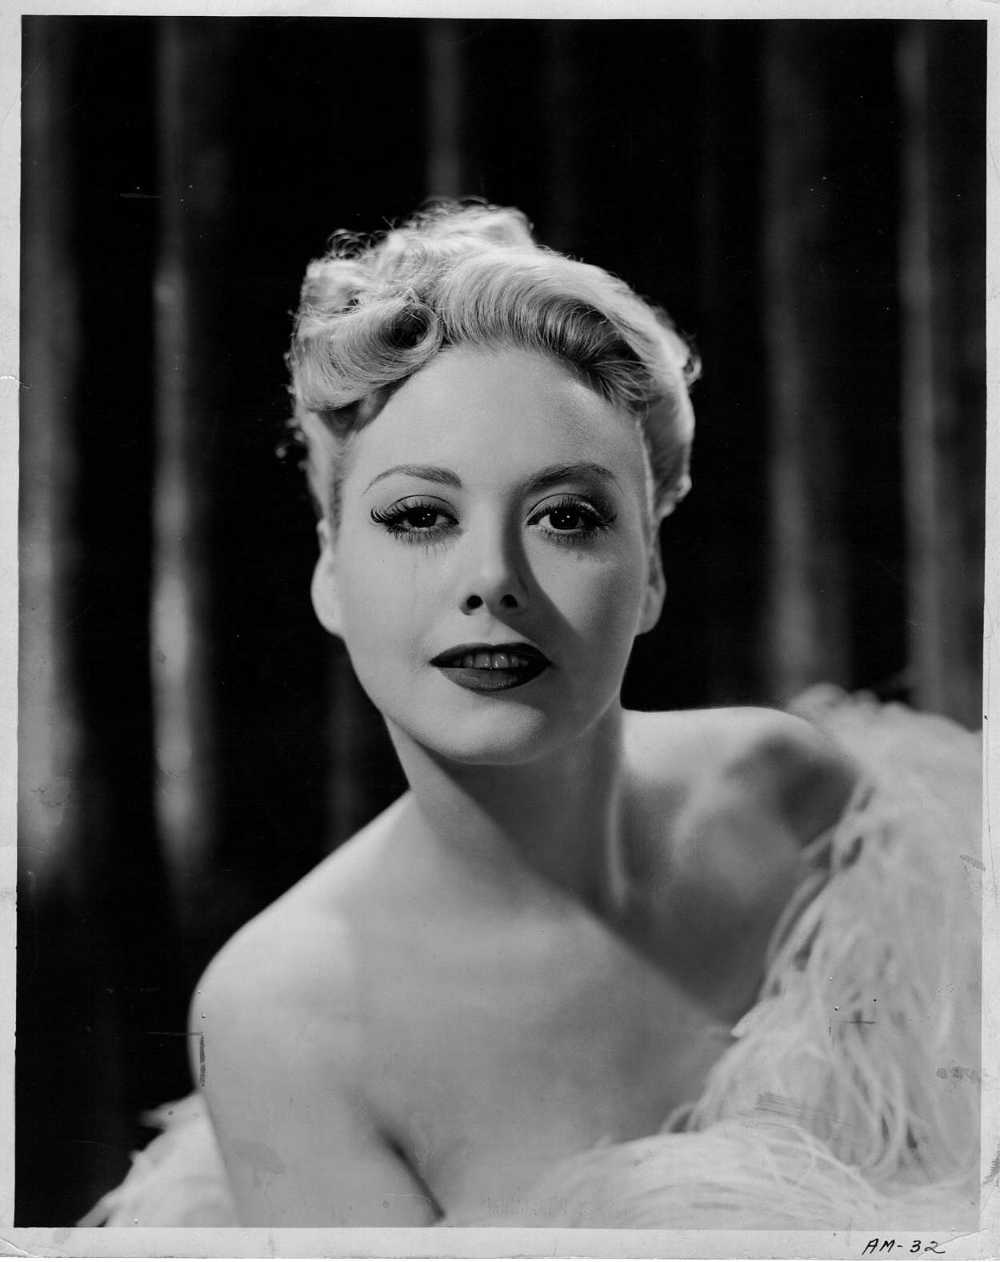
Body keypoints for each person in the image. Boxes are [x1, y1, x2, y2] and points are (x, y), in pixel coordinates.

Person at [84, 203, 981, 1230]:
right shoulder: (283, 1015)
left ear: (650, 574)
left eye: (566, 516)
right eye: (420, 515)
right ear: (330, 573)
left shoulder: (788, 794)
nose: (492, 578)